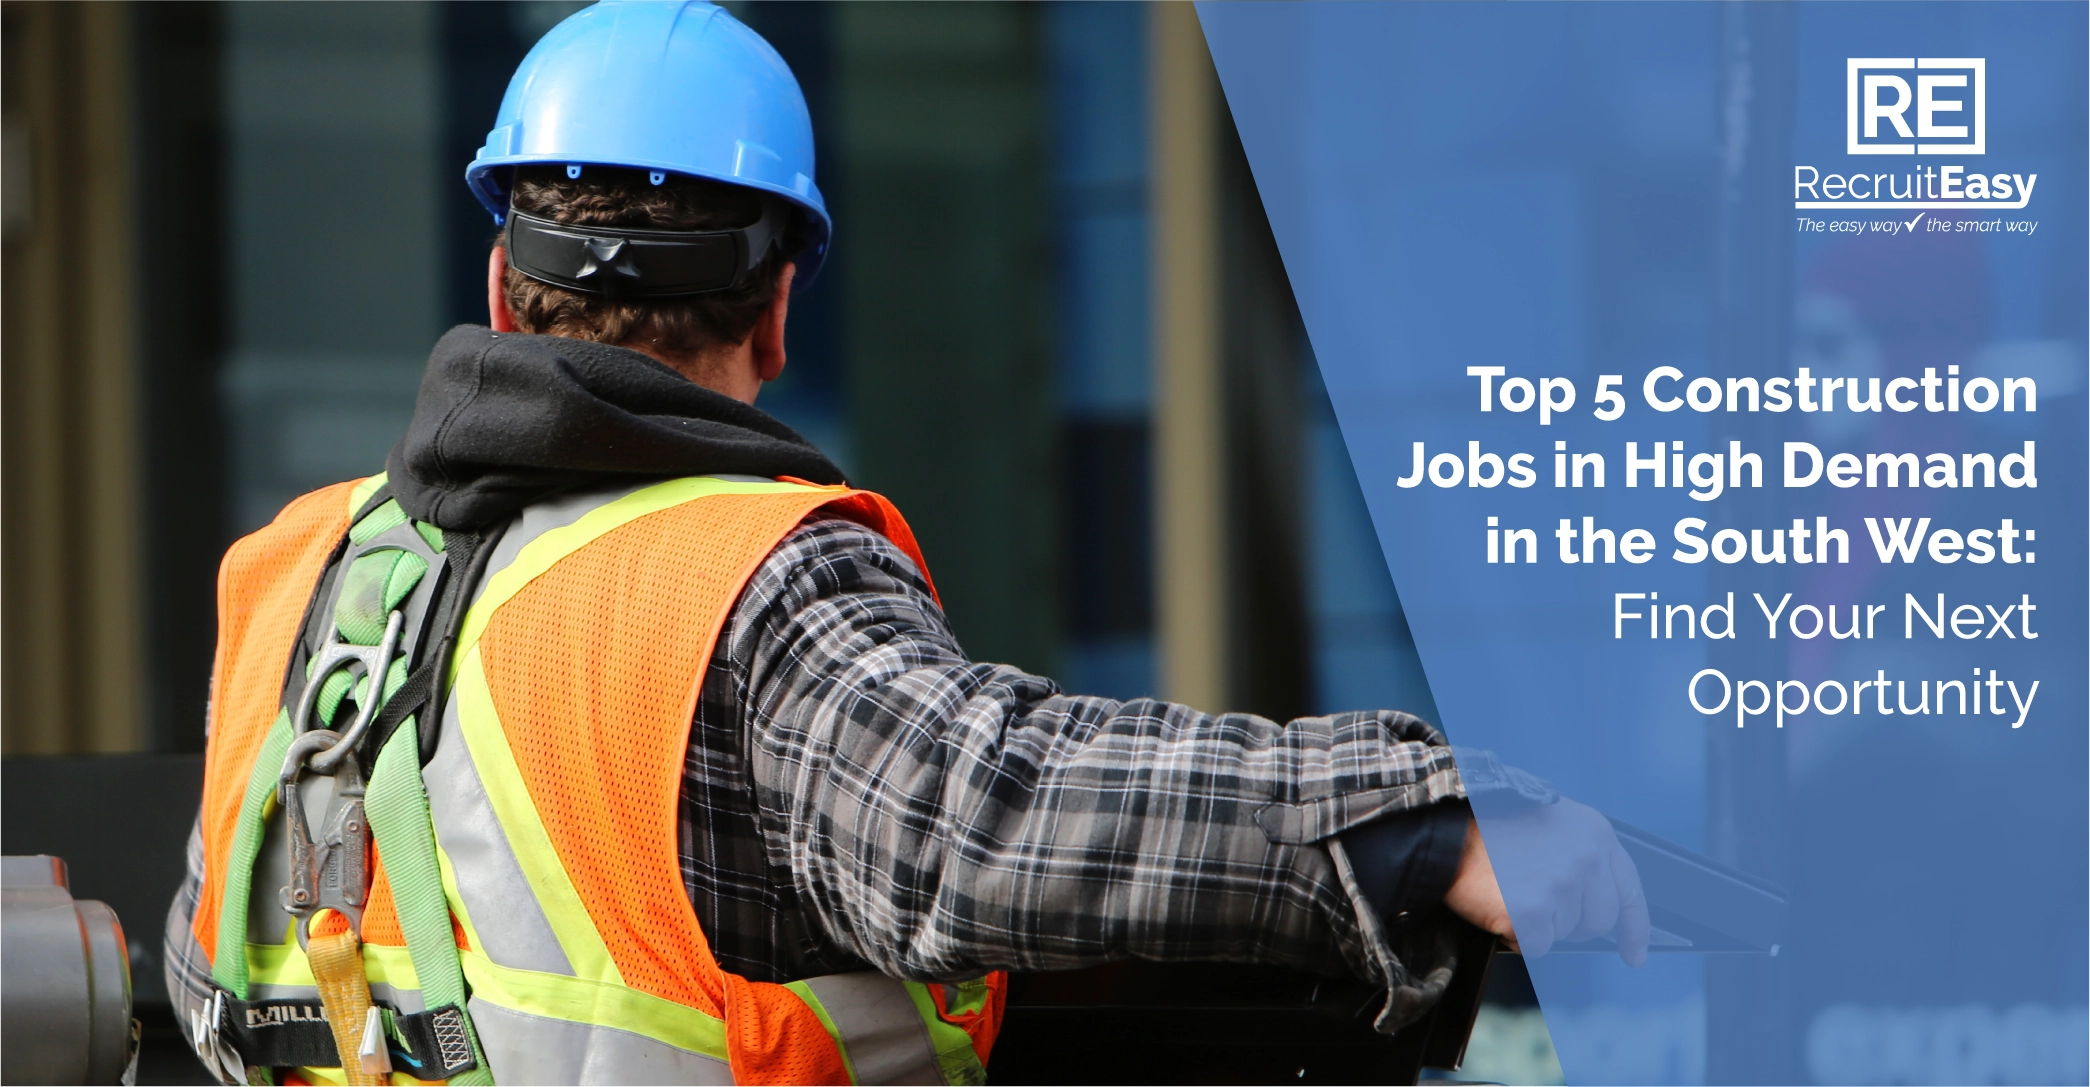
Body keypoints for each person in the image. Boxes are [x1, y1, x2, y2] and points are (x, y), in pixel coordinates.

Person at [166, 4, 1645, 1084]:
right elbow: (974, 822)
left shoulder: (297, 566)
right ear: (779, 308)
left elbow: (209, 959)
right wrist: (1422, 818)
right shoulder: (741, 581)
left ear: (500, 282)